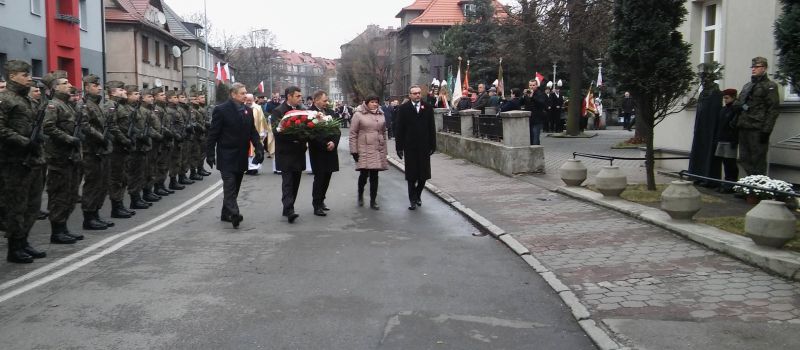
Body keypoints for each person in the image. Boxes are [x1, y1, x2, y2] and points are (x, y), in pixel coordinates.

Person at [0, 60, 49, 263]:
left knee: (32, 205)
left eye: (29, 75)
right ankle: (14, 247)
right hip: (14, 162)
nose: (29, 78)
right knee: (16, 207)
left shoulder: (26, 100)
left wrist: (38, 139)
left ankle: (24, 241)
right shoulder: (5, 100)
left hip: (32, 160)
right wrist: (24, 142)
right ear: (12, 76)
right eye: (24, 75)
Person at [206, 83, 264, 229]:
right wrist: (210, 153)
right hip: (226, 154)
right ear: (233, 94)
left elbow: (253, 132)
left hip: (241, 155)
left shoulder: (248, 110)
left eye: (246, 93)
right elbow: (213, 134)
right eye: (242, 93)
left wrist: (259, 149)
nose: (245, 95)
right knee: (230, 185)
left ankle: (225, 213)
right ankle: (234, 213)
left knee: (236, 186)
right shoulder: (221, 110)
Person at [42, 70, 83, 243]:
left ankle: (64, 227)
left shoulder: (67, 105)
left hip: (70, 157)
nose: (70, 85)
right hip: (59, 157)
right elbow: (48, 127)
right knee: (59, 194)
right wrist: (69, 139)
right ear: (55, 87)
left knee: (70, 194)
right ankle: (57, 231)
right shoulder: (54, 105)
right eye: (65, 83)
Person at [79, 74, 116, 230]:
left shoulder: (97, 105)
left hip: (101, 150)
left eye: (99, 85)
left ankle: (95, 214)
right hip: (91, 151)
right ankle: (88, 218)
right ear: (87, 87)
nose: (99, 88)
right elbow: (85, 126)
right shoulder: (84, 105)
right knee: (92, 185)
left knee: (101, 184)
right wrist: (101, 137)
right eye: (95, 85)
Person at [734, 56, 781, 176]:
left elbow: (773, 109)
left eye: (757, 67)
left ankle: (758, 189)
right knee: (744, 158)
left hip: (758, 127)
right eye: (752, 67)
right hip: (744, 125)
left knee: (758, 159)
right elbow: (738, 102)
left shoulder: (770, 86)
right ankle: (750, 187)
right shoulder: (747, 86)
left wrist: (766, 130)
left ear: (764, 68)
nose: (753, 69)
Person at [395, 85, 436, 210]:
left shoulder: (427, 107)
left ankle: (418, 194)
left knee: (423, 175)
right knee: (412, 175)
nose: (417, 95)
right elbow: (399, 129)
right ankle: (412, 200)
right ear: (410, 95)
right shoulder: (403, 109)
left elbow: (431, 127)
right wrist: (399, 147)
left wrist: (433, 145)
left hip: (424, 146)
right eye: (414, 93)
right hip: (410, 146)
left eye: (419, 93)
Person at [272, 86, 306, 223]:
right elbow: (277, 131)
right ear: (289, 96)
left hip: (298, 151)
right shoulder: (278, 111)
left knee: (296, 181)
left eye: (300, 96)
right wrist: (294, 138)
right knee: (288, 182)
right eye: (297, 96)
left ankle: (288, 207)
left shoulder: (303, 110)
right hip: (286, 151)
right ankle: (289, 209)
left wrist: (304, 138)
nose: (300, 98)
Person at [349, 94, 388, 210]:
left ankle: (373, 200)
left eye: (376, 102)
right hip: (364, 148)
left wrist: (384, 150)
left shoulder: (381, 114)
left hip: (377, 148)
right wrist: (354, 151)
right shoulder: (358, 114)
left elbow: (383, 133)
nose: (375, 104)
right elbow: (353, 134)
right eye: (372, 102)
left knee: (375, 176)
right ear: (366, 103)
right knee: (364, 175)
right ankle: (360, 195)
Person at [689, 62, 723, 185]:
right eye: (702, 77)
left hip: (710, 129)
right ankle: (697, 175)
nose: (703, 80)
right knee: (699, 150)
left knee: (708, 152)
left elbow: (714, 113)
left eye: (705, 77)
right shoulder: (703, 92)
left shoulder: (716, 92)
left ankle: (708, 178)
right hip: (701, 127)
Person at [308, 90, 340, 216]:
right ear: (316, 100)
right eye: (324, 100)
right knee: (320, 178)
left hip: (331, 149)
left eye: (327, 100)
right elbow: (311, 133)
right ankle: (316, 204)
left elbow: (337, 129)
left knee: (327, 176)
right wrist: (324, 144)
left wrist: (333, 142)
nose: (327, 102)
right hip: (318, 150)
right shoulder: (310, 113)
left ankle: (322, 201)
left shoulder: (330, 112)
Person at [715, 88, 740, 193]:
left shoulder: (736, 109)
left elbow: (736, 126)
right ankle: (726, 183)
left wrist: (734, 140)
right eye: (724, 98)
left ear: (733, 97)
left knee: (731, 163)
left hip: (730, 140)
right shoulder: (723, 109)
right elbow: (720, 125)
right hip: (722, 138)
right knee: (725, 162)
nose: (725, 100)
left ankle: (731, 184)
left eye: (727, 98)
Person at [244, 93, 269, 175]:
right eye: (247, 100)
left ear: (253, 100)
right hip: (245, 134)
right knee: (246, 151)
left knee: (255, 151)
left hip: (256, 133)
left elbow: (262, 120)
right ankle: (247, 167)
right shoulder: (242, 107)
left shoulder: (257, 108)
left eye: (250, 100)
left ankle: (254, 168)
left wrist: (262, 132)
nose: (248, 102)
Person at [523, 79, 547, 145]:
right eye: (530, 85)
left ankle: (536, 154)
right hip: (528, 119)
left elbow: (542, 104)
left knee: (535, 139)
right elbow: (521, 103)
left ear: (536, 85)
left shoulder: (540, 94)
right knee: (529, 139)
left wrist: (532, 97)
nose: (532, 87)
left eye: (533, 85)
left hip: (537, 120)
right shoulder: (527, 94)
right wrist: (523, 95)